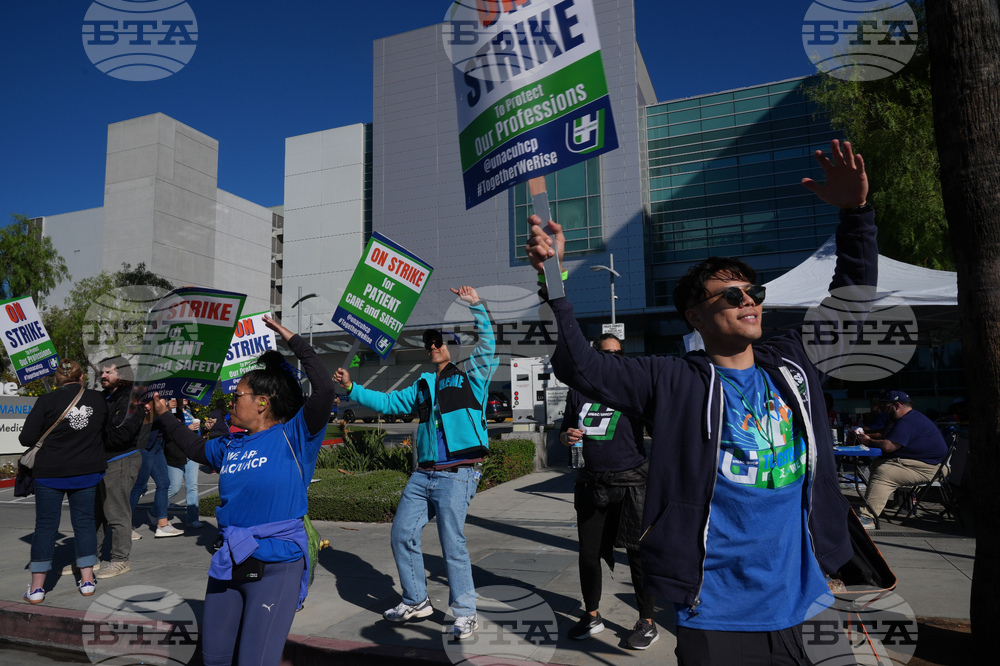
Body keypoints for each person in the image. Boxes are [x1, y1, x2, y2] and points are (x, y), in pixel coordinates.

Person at [527, 139, 874, 664]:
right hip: (716, 610)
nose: (749, 301)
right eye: (731, 295)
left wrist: (856, 214)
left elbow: (852, 301)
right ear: (695, 315)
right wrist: (552, 280)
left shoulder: (792, 363)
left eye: (753, 291)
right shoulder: (672, 379)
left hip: (810, 600)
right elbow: (582, 367)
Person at [148, 314, 334, 666]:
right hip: (229, 561)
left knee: (255, 661)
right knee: (214, 658)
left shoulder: (295, 436)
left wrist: (292, 340)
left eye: (238, 395)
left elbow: (323, 389)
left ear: (262, 402)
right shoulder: (230, 446)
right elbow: (194, 447)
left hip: (277, 564)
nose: (230, 401)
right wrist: (165, 415)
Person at [333, 286, 497, 641]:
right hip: (424, 473)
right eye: (430, 343)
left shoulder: (472, 375)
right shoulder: (422, 384)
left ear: (451, 346)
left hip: (458, 472)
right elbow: (388, 402)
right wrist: (351, 389)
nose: (434, 347)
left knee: (452, 543)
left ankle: (466, 613)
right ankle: (416, 600)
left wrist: (477, 307)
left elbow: (488, 344)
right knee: (401, 534)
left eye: (440, 342)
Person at [560, 333, 658, 650]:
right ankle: (592, 615)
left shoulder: (634, 388)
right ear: (596, 356)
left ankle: (647, 620)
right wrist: (568, 437)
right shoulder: (579, 391)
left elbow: (661, 427)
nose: (614, 358)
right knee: (589, 555)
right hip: (592, 482)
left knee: (638, 555)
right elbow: (564, 432)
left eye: (619, 353)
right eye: (607, 353)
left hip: (632, 481)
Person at [20, 361, 108, 603]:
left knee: (46, 526)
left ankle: (37, 588)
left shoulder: (46, 401)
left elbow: (26, 437)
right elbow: (106, 430)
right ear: (82, 378)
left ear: (57, 379)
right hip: (86, 470)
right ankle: (88, 580)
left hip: (50, 472)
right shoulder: (97, 399)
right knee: (85, 523)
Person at [855, 390, 948, 529]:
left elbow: (889, 446)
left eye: (887, 408)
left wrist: (869, 441)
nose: (885, 411)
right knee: (877, 464)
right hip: (923, 463)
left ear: (897, 405)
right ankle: (896, 501)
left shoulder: (908, 421)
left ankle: (868, 517)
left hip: (931, 468)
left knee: (884, 473)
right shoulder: (911, 418)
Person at [88, 356, 145, 581]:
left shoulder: (132, 397)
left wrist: (93, 437)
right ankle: (90, 559)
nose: (103, 376)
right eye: (102, 372)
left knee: (116, 512)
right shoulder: (105, 397)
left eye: (108, 372)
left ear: (121, 374)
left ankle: (120, 559)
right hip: (101, 461)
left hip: (121, 460)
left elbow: (122, 434)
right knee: (96, 514)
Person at [130, 406, 183, 538]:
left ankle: (163, 524)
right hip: (145, 444)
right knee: (139, 486)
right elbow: (139, 420)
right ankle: (124, 526)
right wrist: (163, 410)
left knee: (164, 482)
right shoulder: (142, 397)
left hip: (158, 443)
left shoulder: (164, 396)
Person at [164, 398, 203, 528]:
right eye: (183, 395)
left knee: (192, 487)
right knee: (174, 488)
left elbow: (195, 430)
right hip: (177, 453)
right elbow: (168, 433)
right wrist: (188, 428)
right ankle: (157, 512)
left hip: (192, 452)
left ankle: (192, 519)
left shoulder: (190, 411)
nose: (186, 398)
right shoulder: (172, 413)